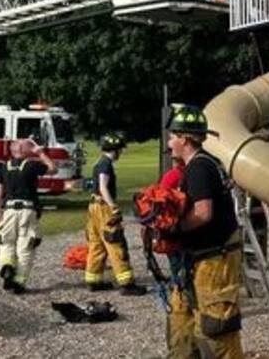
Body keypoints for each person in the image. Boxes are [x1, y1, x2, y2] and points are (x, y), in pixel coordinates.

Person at [164, 104, 244, 359]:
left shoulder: (198, 168)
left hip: (213, 259)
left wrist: (174, 227)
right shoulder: (209, 163)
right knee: (182, 321)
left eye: (173, 136)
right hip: (199, 258)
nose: (169, 142)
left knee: (216, 328)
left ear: (185, 139)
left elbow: (203, 212)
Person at [85, 133, 148, 295]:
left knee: (97, 244)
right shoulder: (106, 164)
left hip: (93, 206)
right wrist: (113, 206)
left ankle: (93, 280)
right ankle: (126, 284)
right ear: (115, 149)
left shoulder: (99, 162)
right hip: (104, 207)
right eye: (120, 149)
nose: (121, 152)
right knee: (115, 243)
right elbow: (103, 186)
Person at [0, 138, 55, 294]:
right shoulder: (31, 165)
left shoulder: (3, 167)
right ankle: (19, 282)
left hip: (8, 210)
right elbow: (53, 169)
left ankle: (7, 267)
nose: (32, 147)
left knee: (6, 243)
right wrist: (40, 153)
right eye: (29, 145)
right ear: (23, 150)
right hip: (27, 211)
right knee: (25, 246)